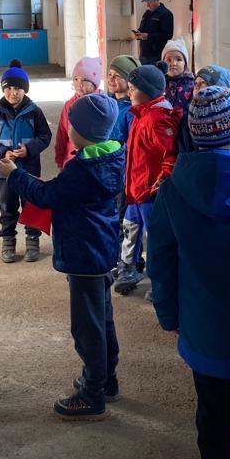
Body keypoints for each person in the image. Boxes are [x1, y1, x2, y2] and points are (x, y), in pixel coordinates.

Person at [146, 87, 230, 459]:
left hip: (204, 329)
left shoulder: (172, 190)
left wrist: (168, 314)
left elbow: (160, 259)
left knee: (213, 416)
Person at [0, 94, 127, 420]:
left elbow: (47, 195)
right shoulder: (112, 156)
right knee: (102, 320)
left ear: (82, 132)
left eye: (71, 125)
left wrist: (14, 174)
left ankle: (92, 394)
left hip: (83, 255)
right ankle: (106, 380)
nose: (67, 130)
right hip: (102, 251)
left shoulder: (82, 170)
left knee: (87, 328)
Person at [114, 65, 182, 295]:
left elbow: (169, 155)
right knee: (130, 229)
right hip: (136, 190)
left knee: (156, 240)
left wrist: (162, 181)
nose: (129, 93)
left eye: (133, 88)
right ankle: (128, 268)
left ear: (149, 91)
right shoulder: (140, 114)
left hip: (150, 193)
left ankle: (159, 283)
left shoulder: (157, 119)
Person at [0, 60, 53, 263]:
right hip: (6, 171)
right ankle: (8, 241)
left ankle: (32, 240)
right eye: (9, 88)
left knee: (32, 204)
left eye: (18, 88)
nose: (13, 93)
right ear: (3, 89)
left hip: (29, 169)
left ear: (25, 90)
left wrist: (28, 149)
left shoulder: (34, 111)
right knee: (7, 206)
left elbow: (45, 136)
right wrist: (3, 152)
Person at [55, 57, 102, 169]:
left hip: (95, 161)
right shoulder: (69, 105)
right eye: (76, 79)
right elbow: (62, 134)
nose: (80, 84)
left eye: (84, 80)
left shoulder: (102, 105)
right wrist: (60, 160)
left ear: (94, 82)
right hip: (71, 161)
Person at [134, 0, 174, 65]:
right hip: (144, 54)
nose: (147, 5)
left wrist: (148, 36)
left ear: (157, 0)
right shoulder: (147, 13)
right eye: (147, 2)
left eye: (149, 2)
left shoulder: (166, 14)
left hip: (156, 55)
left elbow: (167, 35)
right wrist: (138, 34)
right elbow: (142, 29)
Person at [107, 55, 139, 145]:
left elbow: (132, 143)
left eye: (117, 75)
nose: (111, 79)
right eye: (110, 74)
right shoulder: (106, 102)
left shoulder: (132, 110)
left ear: (130, 82)